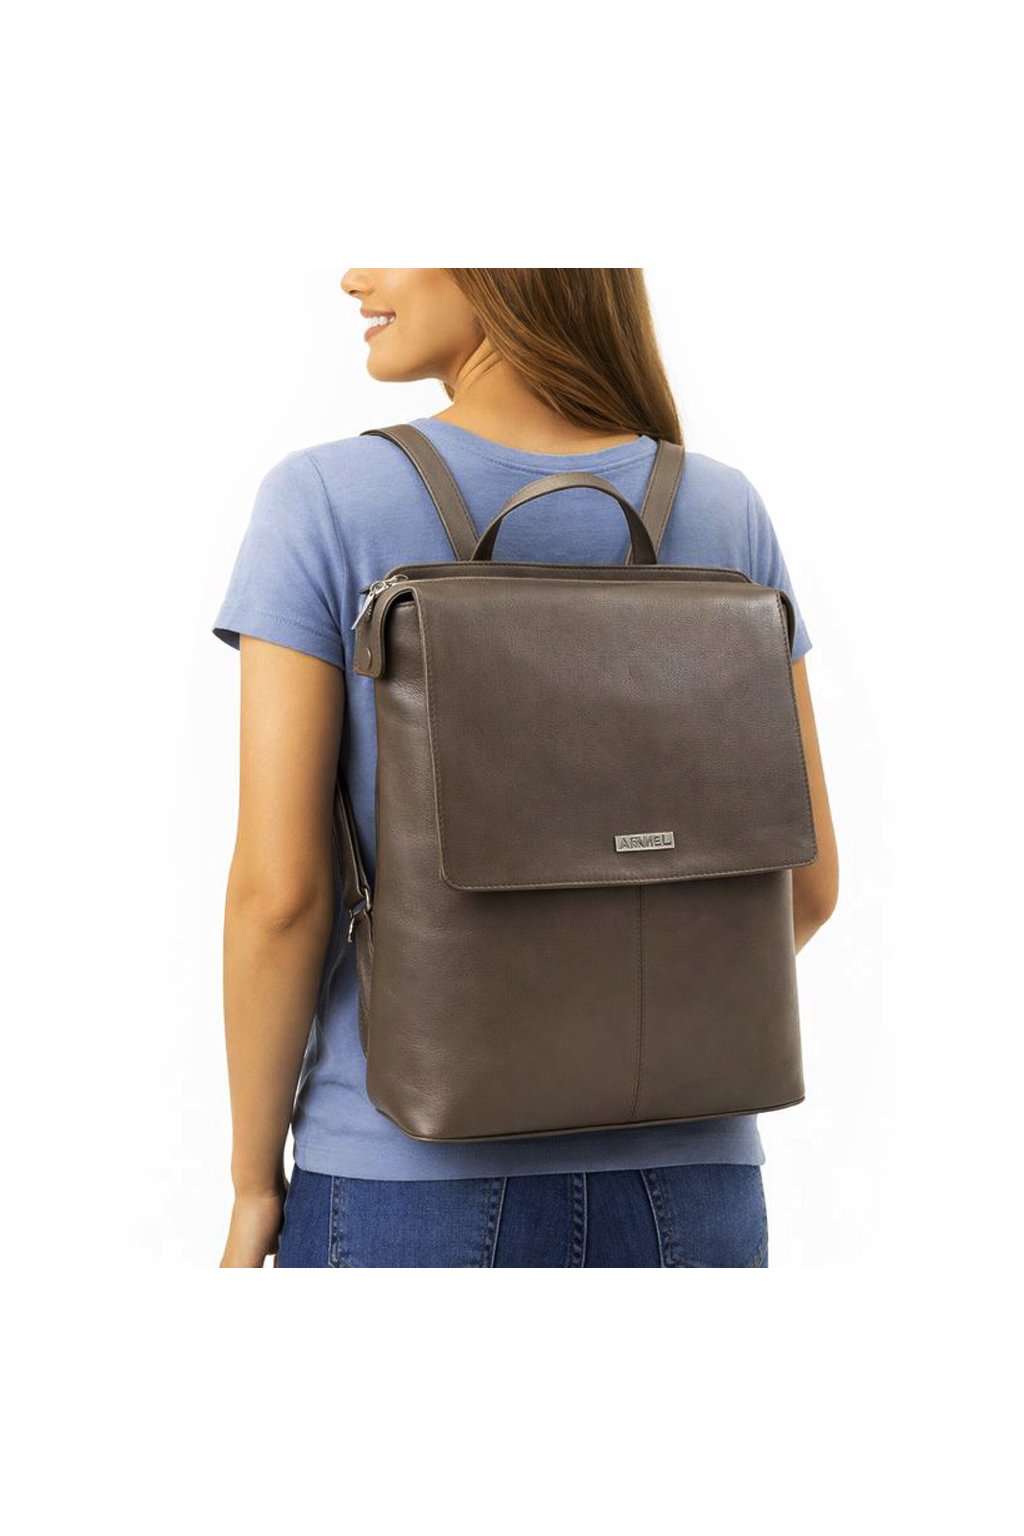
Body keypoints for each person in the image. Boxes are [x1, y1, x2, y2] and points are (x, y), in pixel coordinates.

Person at [212, 268, 839, 1268]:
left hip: (408, 1178)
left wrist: (253, 1186)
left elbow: (281, 898)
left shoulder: (324, 499)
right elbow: (806, 890)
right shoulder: (724, 509)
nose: (354, 274)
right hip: (696, 1187)